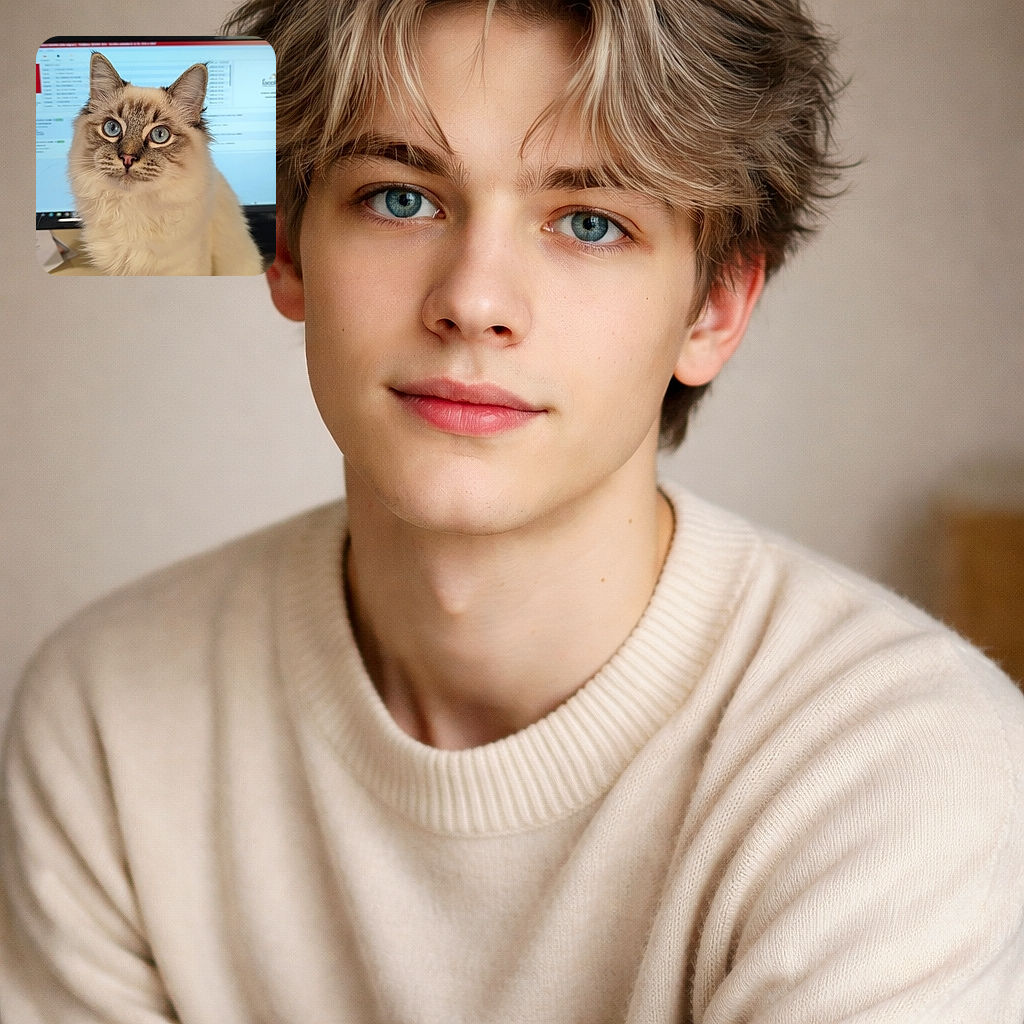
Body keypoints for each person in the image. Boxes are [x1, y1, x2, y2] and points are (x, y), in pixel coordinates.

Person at [3, 0, 1023, 1020]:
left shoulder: (907, 768)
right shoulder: (103, 715)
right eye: (399, 198)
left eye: (590, 222)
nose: (475, 298)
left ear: (713, 308)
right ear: (286, 252)